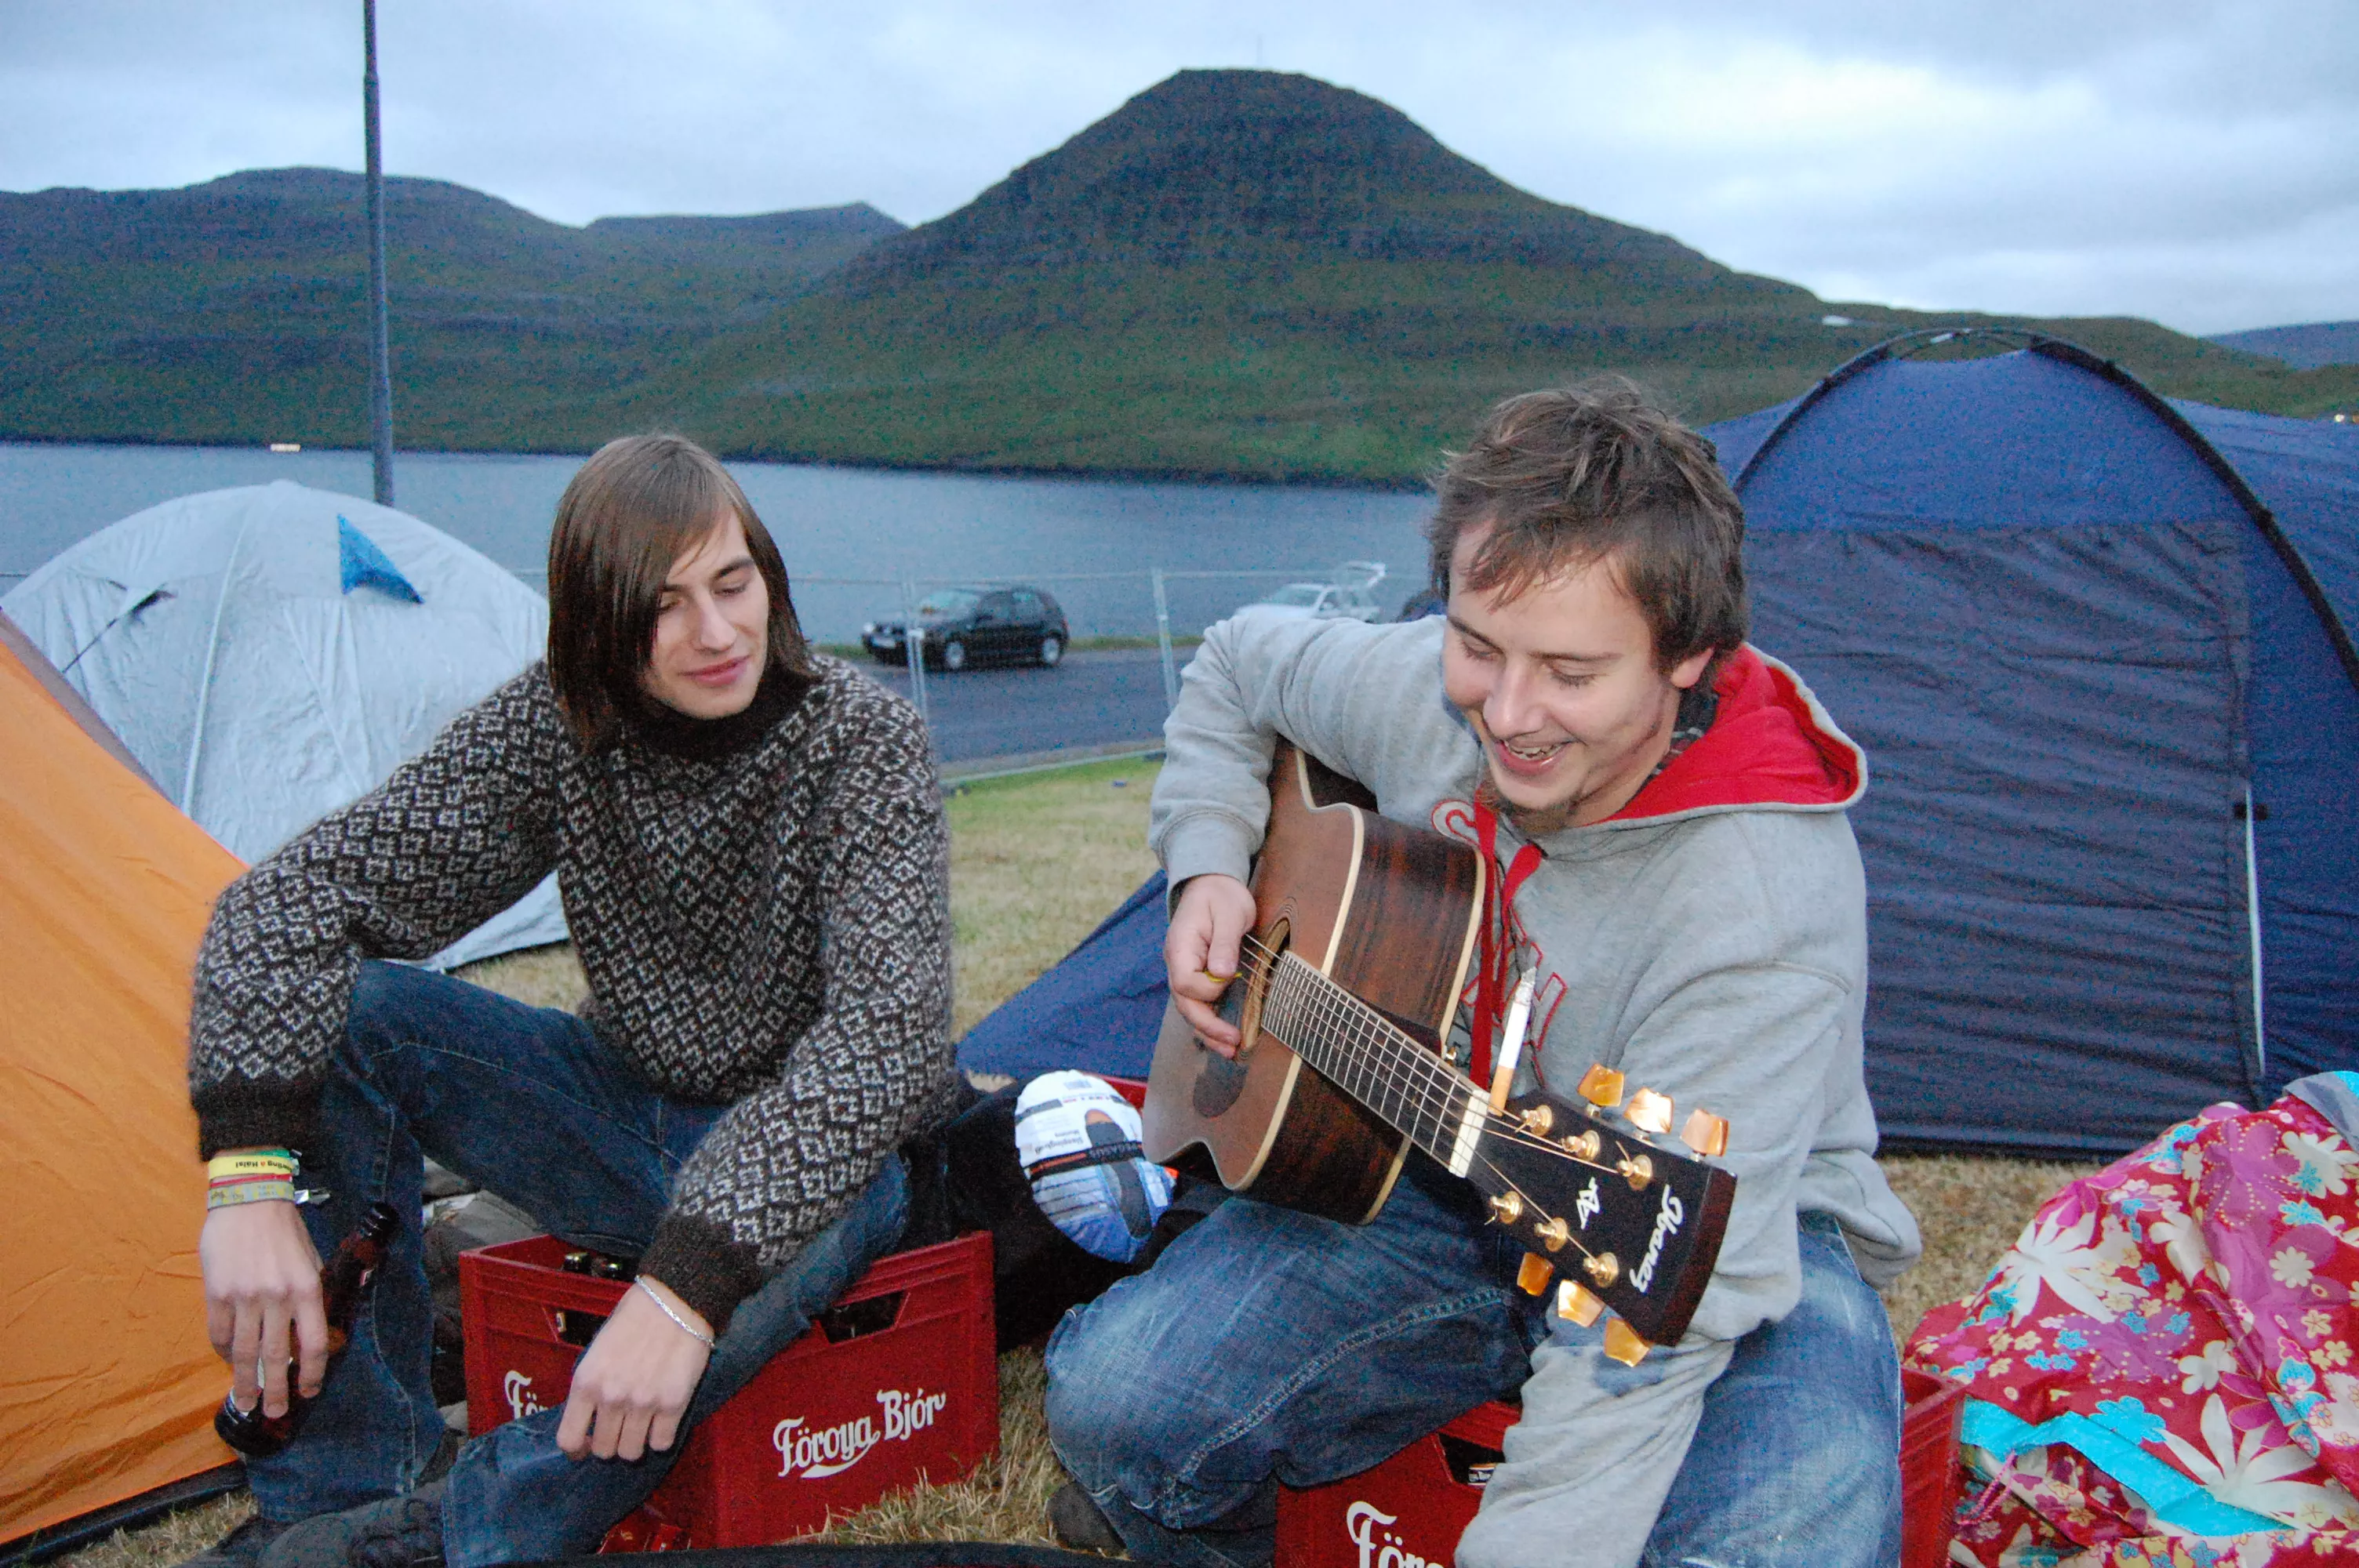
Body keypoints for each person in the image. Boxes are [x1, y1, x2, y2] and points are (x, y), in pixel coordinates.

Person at [1042, 380, 1923, 1568]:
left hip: (1725, 1236)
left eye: (1569, 672)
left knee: (1781, 1531)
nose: (1506, 714)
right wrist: (1208, 865)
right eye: (1475, 645)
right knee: (1116, 1410)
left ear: (1691, 659)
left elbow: (1643, 1320)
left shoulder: (1758, 906)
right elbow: (1238, 662)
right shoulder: (1432, 687)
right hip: (1427, 1175)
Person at [184, 434, 958, 1568]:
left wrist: (683, 1292)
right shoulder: (558, 726)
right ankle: (337, 1488)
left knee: (817, 1206)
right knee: (357, 1018)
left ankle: (444, 1536)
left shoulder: (864, 741)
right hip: (622, 1104)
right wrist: (247, 1182)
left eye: (733, 584)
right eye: (663, 606)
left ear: (769, 578)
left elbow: (884, 1041)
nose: (716, 632)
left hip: (827, 1154)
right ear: (598, 626)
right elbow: (288, 905)